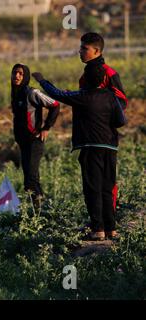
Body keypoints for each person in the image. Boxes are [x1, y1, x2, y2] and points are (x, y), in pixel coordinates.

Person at [32, 65, 121, 241]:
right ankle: (111, 229)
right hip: (110, 147)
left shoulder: (82, 96)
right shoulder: (111, 97)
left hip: (90, 146)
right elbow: (120, 120)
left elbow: (58, 94)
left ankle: (98, 229)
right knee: (107, 187)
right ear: (103, 80)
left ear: (86, 80)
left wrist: (42, 80)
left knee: (92, 188)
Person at [78, 32, 128, 214]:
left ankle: (108, 224)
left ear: (96, 51)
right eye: (80, 47)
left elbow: (122, 102)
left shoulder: (109, 73)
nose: (80, 51)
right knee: (91, 183)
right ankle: (97, 224)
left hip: (104, 136)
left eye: (85, 48)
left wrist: (103, 116)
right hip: (87, 136)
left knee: (107, 183)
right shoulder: (85, 76)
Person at [10, 63, 60, 209]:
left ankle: (38, 212)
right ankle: (38, 210)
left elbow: (55, 105)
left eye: (20, 73)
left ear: (25, 76)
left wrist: (46, 127)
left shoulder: (32, 92)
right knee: (30, 179)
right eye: (14, 73)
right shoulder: (15, 92)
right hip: (23, 142)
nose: (17, 76)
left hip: (34, 141)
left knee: (31, 180)